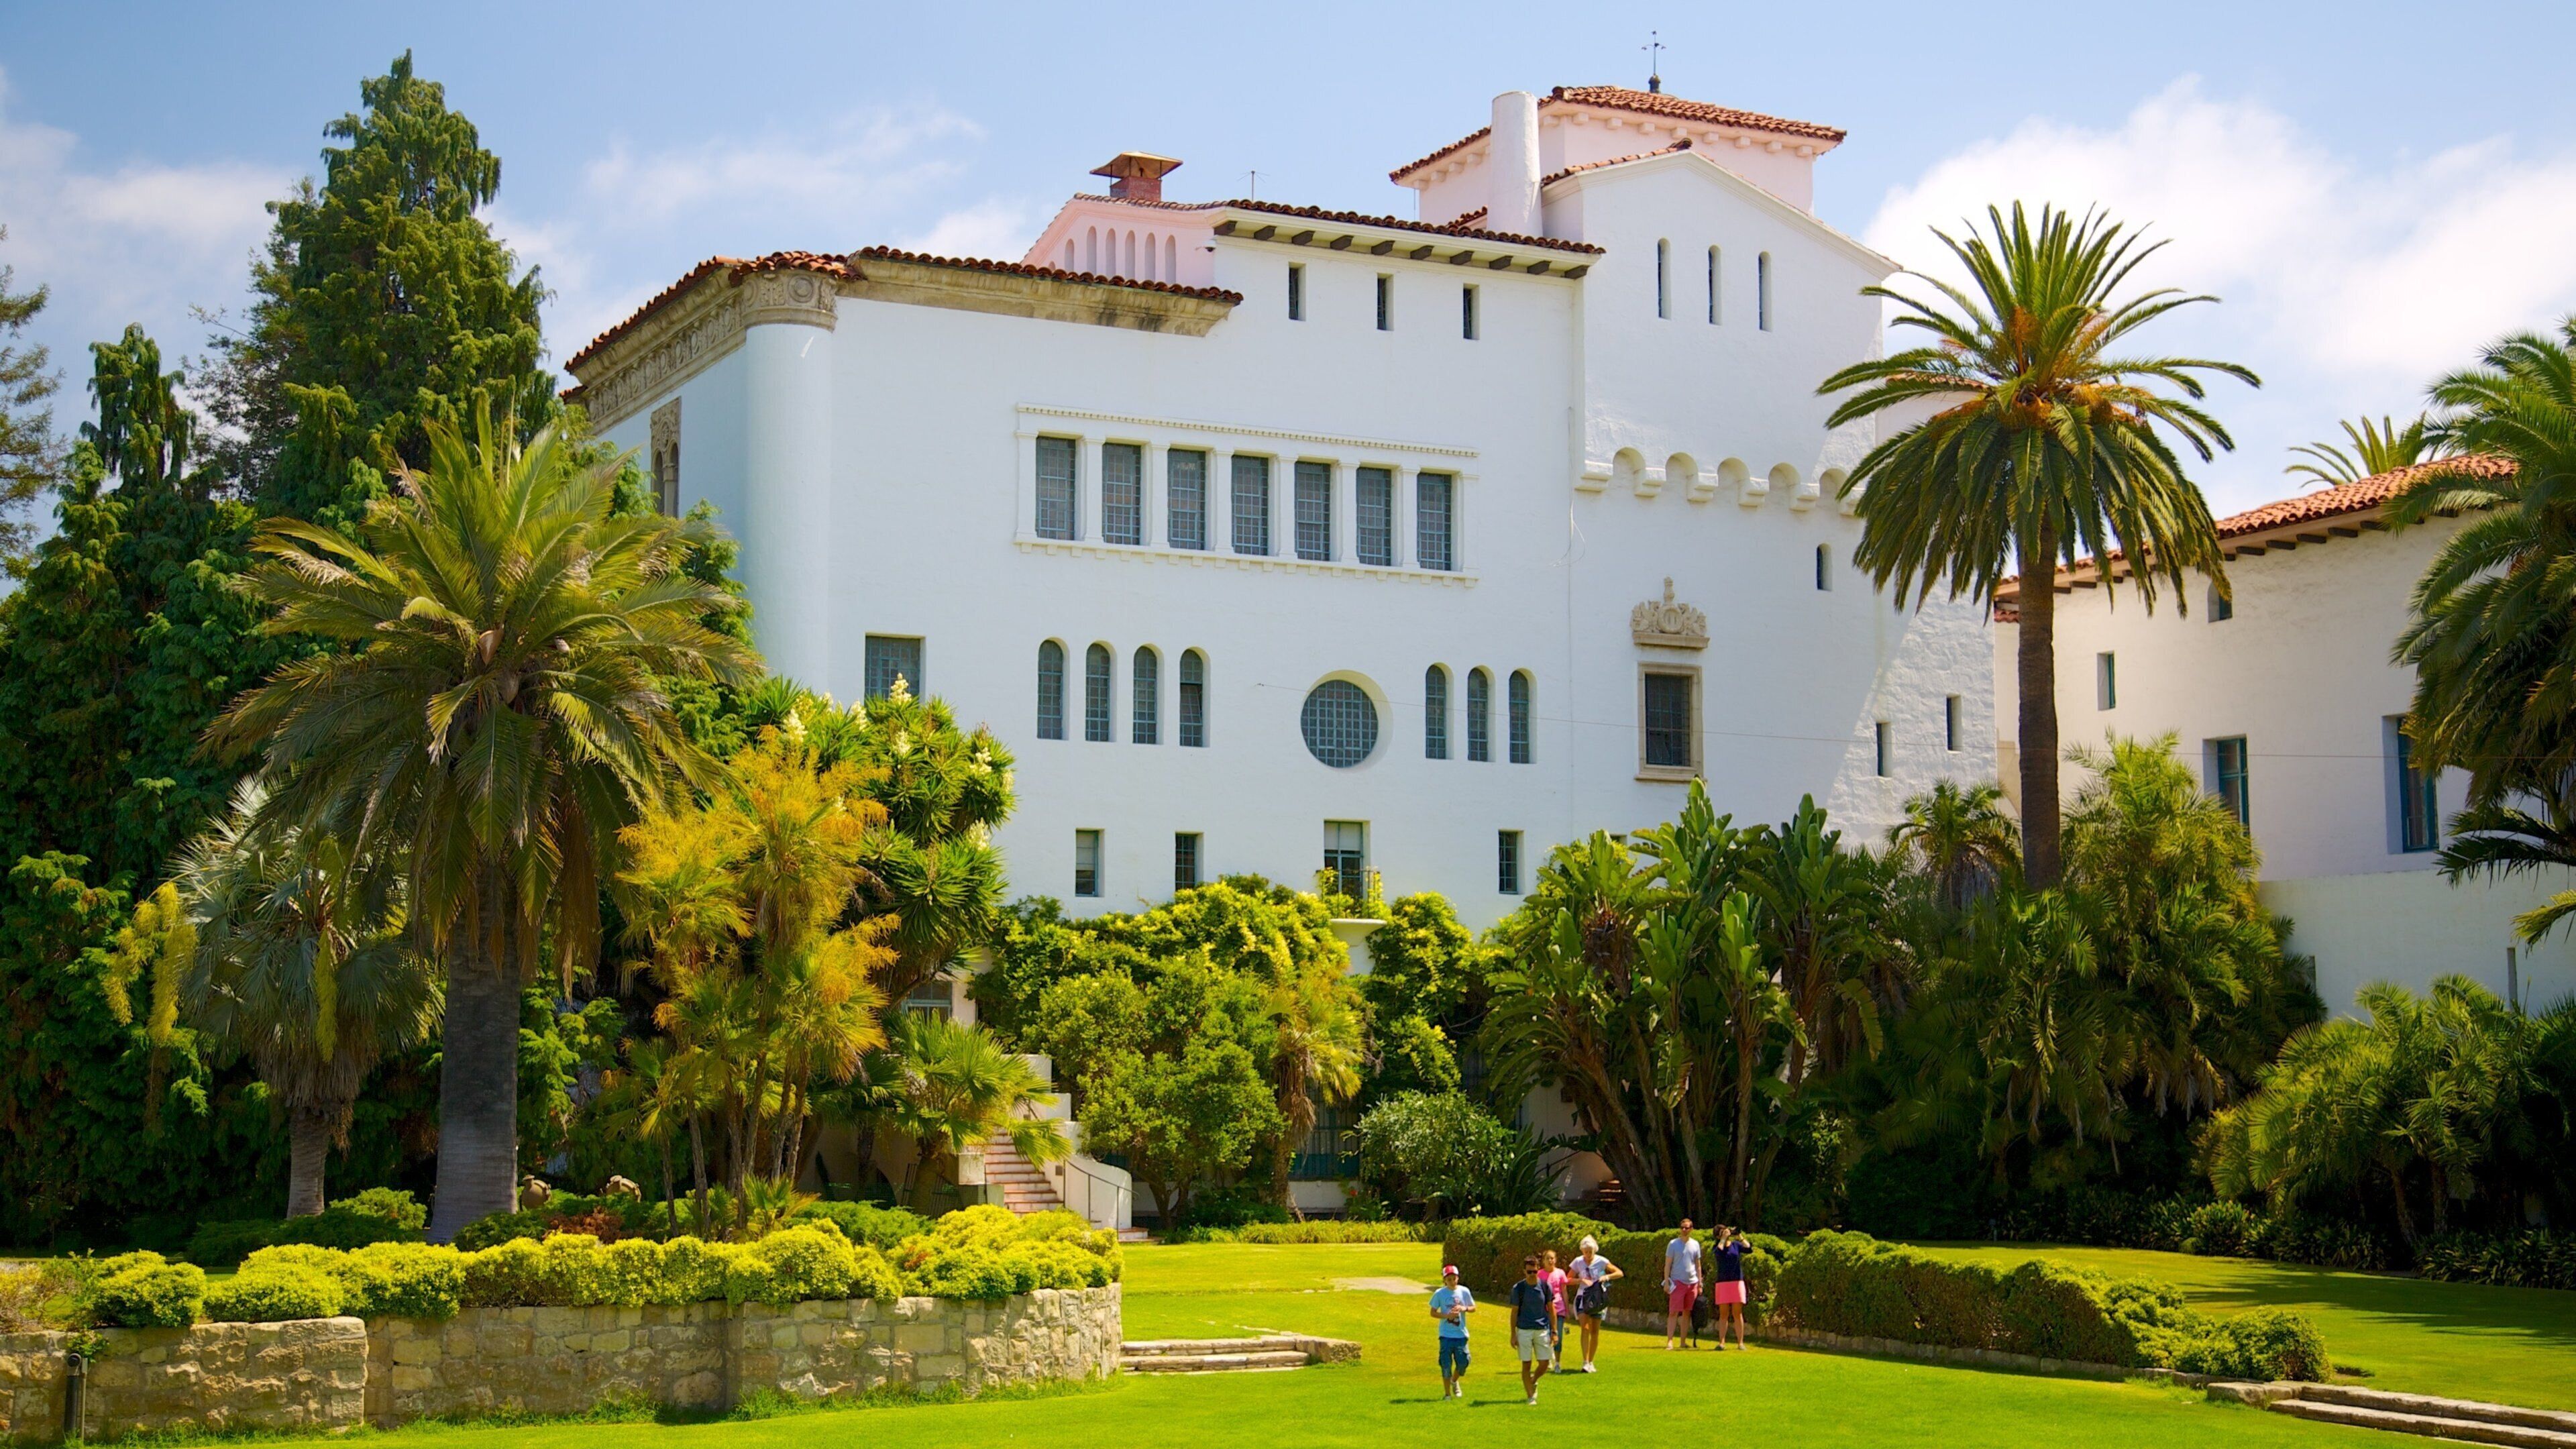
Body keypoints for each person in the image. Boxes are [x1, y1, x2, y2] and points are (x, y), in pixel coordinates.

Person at [1566, 1234, 1624, 1372]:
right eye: (1585, 1252)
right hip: (1583, 1297)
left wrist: (1607, 1277)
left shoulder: (1601, 1261)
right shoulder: (1578, 1262)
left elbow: (1619, 1273)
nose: (1588, 1255)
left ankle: (1591, 1361)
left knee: (1595, 1331)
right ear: (1582, 1251)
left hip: (1598, 1298)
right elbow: (1568, 1279)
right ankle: (1585, 1361)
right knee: (1585, 1328)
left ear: (1594, 1251)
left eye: (1590, 1252)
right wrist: (1581, 1280)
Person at [1507, 1254, 1556, 1403]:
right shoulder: (1519, 1288)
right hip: (1524, 1330)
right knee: (1526, 1364)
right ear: (1524, 1271)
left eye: (1535, 1271)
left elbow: (1552, 1309)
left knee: (1545, 1363)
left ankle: (1533, 1381)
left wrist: (1554, 1331)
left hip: (1542, 1329)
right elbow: (1514, 1312)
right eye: (1529, 1272)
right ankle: (1530, 1396)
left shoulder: (1545, 1286)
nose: (1532, 1275)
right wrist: (1513, 1334)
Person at [1430, 1264, 1476, 1399]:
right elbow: (1433, 1312)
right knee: (1446, 1364)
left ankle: (1454, 1381)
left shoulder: (1464, 1291)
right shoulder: (1440, 1293)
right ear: (1445, 1280)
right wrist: (1446, 1316)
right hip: (1446, 1335)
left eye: (1454, 1278)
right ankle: (1447, 1395)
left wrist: (1464, 1308)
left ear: (1458, 1278)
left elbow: (1473, 1307)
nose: (1452, 1281)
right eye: (1449, 1279)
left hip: (1461, 1334)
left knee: (1463, 1362)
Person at [1662, 1219, 1703, 1350]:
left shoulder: (1695, 1244)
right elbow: (1668, 1264)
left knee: (1687, 1313)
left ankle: (1683, 1342)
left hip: (1692, 1283)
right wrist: (1667, 1282)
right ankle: (1670, 1341)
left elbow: (1698, 1265)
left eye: (1687, 1228)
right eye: (1682, 1228)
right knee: (1673, 1312)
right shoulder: (1673, 1244)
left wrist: (1700, 1283)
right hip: (1677, 1282)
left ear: (1691, 1229)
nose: (1684, 1230)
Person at [1710, 1225, 1750, 1350]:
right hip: (1723, 1283)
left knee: (1737, 1313)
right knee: (1724, 1313)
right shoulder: (1717, 1247)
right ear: (1718, 1236)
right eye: (1722, 1232)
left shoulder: (1735, 1245)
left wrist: (1739, 1236)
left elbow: (1748, 1248)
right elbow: (1719, 1253)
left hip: (1737, 1282)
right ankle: (1722, 1342)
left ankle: (1740, 1343)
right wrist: (1723, 1239)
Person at [1539, 1248, 1571, 1373]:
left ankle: (1557, 1363)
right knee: (1546, 1336)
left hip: (1559, 1309)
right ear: (1544, 1261)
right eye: (1547, 1258)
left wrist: (1567, 1310)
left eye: (1552, 1258)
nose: (1550, 1261)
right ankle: (1548, 1358)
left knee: (1559, 1336)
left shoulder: (1560, 1273)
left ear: (1555, 1260)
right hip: (1544, 1310)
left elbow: (1564, 1291)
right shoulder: (1540, 1274)